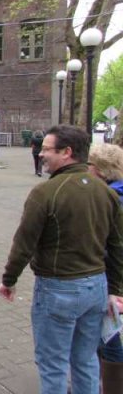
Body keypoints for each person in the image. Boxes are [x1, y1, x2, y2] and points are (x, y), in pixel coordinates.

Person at [0, 125, 123, 394]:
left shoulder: (46, 193)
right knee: (86, 359)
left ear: (67, 152)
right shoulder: (107, 194)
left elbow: (24, 243)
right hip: (96, 288)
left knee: (52, 363)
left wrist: (9, 280)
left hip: (59, 289)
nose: (41, 154)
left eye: (46, 150)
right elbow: (117, 247)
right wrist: (114, 289)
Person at [87, 143, 123, 384]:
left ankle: (107, 385)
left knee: (112, 339)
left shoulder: (113, 201)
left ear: (99, 169)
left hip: (113, 281)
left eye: (89, 165)